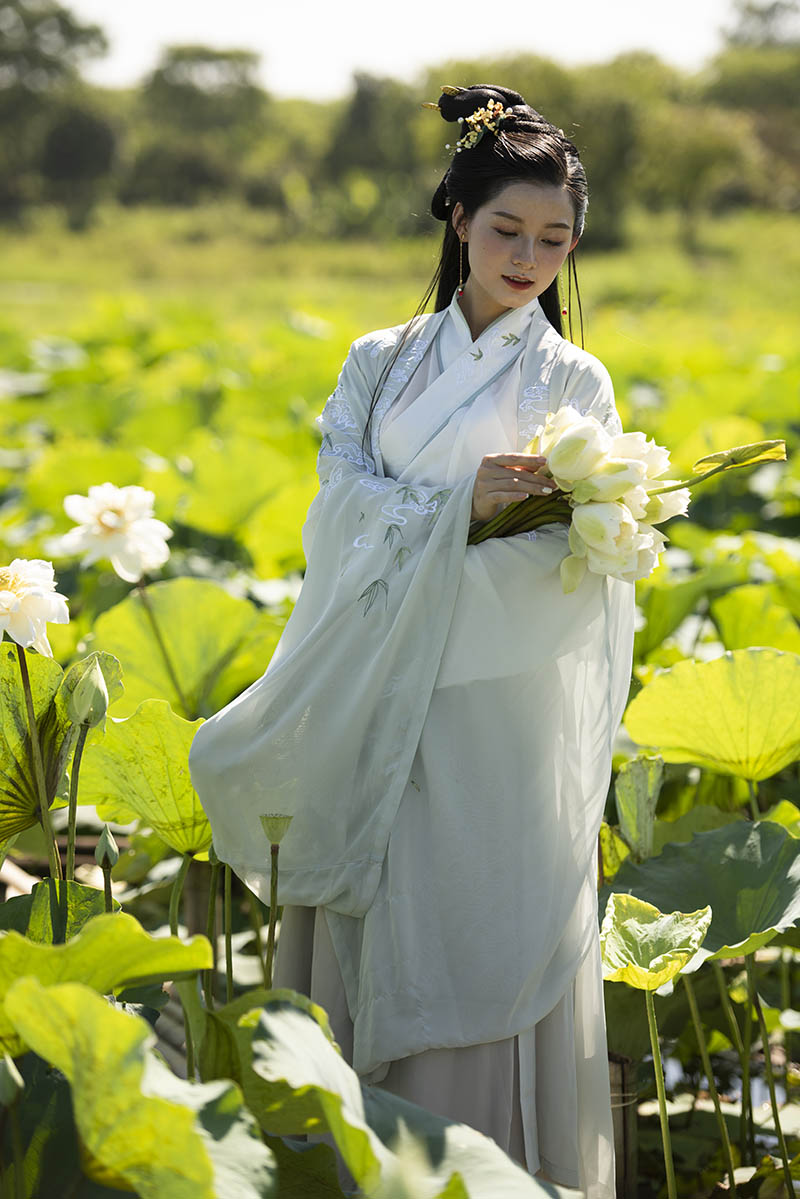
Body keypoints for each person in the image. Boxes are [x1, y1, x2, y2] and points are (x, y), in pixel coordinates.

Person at [188, 83, 635, 1198]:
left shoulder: (572, 382)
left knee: (474, 915)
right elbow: (332, 517)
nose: (528, 256)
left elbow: (575, 566)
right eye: (506, 229)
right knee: (366, 903)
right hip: (368, 685)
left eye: (553, 238)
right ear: (457, 219)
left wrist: (476, 538)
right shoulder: (378, 361)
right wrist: (459, 512)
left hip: (492, 707)